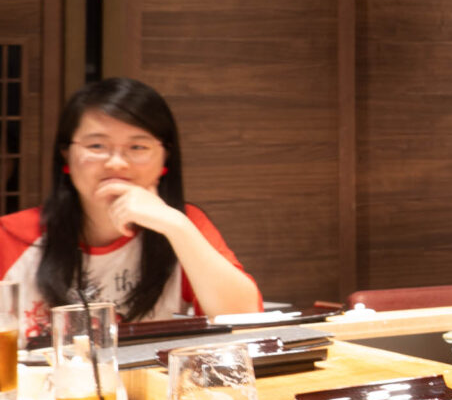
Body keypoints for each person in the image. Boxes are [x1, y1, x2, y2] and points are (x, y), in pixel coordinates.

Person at [0, 78, 263, 332]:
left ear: (165, 158)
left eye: (137, 147)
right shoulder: (9, 236)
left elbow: (246, 320)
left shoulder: (184, 225)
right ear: (66, 153)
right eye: (97, 145)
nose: (117, 163)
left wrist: (175, 225)